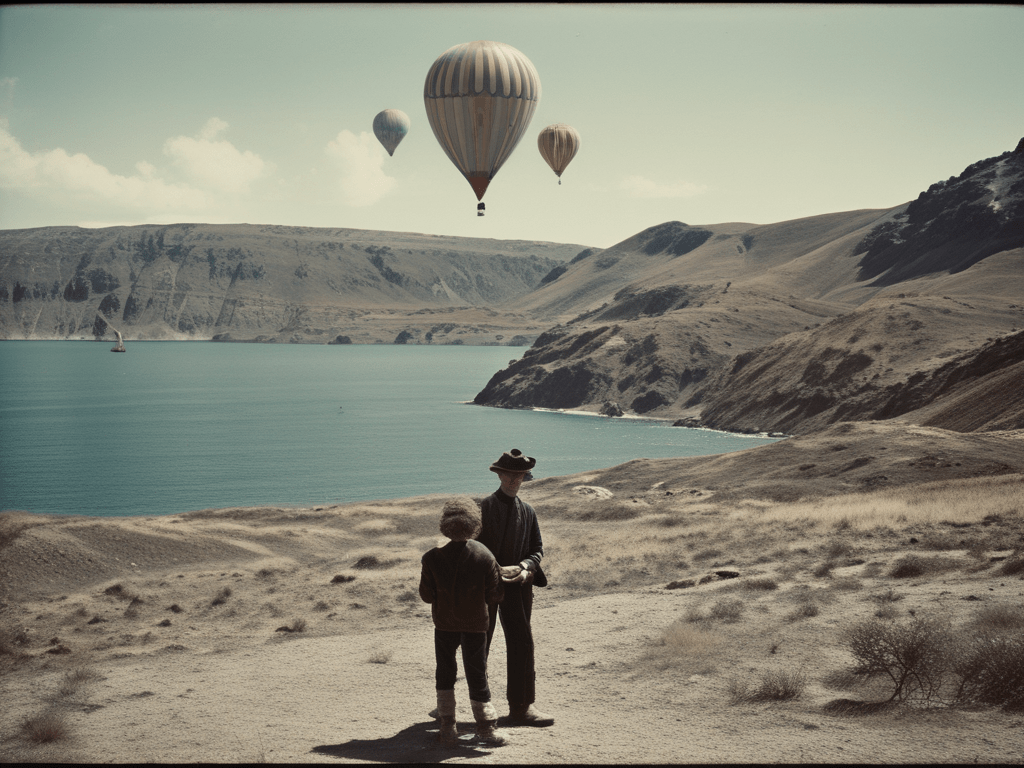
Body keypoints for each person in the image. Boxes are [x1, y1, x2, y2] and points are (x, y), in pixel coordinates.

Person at [419, 497, 507, 746]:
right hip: (476, 625)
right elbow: (495, 596)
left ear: (445, 525)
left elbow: (426, 596)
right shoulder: (485, 555)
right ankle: (486, 728)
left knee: (445, 671)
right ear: (474, 524)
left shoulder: (431, 558)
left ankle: (448, 727)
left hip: (444, 624)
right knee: (477, 672)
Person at [477, 448, 555, 727]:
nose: (514, 480)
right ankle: (478, 707)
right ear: (499, 475)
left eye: (519, 475)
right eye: (509, 474)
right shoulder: (484, 508)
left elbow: (537, 549)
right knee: (478, 645)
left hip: (519, 586)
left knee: (522, 643)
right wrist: (496, 569)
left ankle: (522, 708)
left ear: (524, 477)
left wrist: (523, 567)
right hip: (485, 587)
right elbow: (472, 547)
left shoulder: (528, 511)